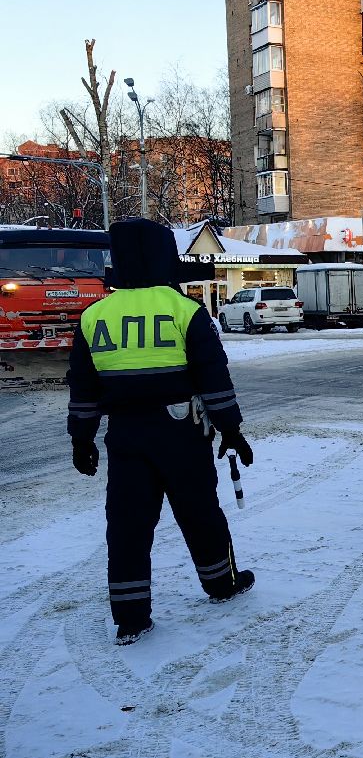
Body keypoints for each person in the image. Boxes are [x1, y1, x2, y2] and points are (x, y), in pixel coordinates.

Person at [66, 218, 256, 646]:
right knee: (200, 513)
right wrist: (231, 430)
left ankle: (131, 617)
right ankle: (221, 584)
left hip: (126, 436)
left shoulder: (94, 316)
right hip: (180, 431)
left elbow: (83, 386)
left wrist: (82, 437)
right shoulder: (185, 310)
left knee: (128, 525)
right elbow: (214, 379)